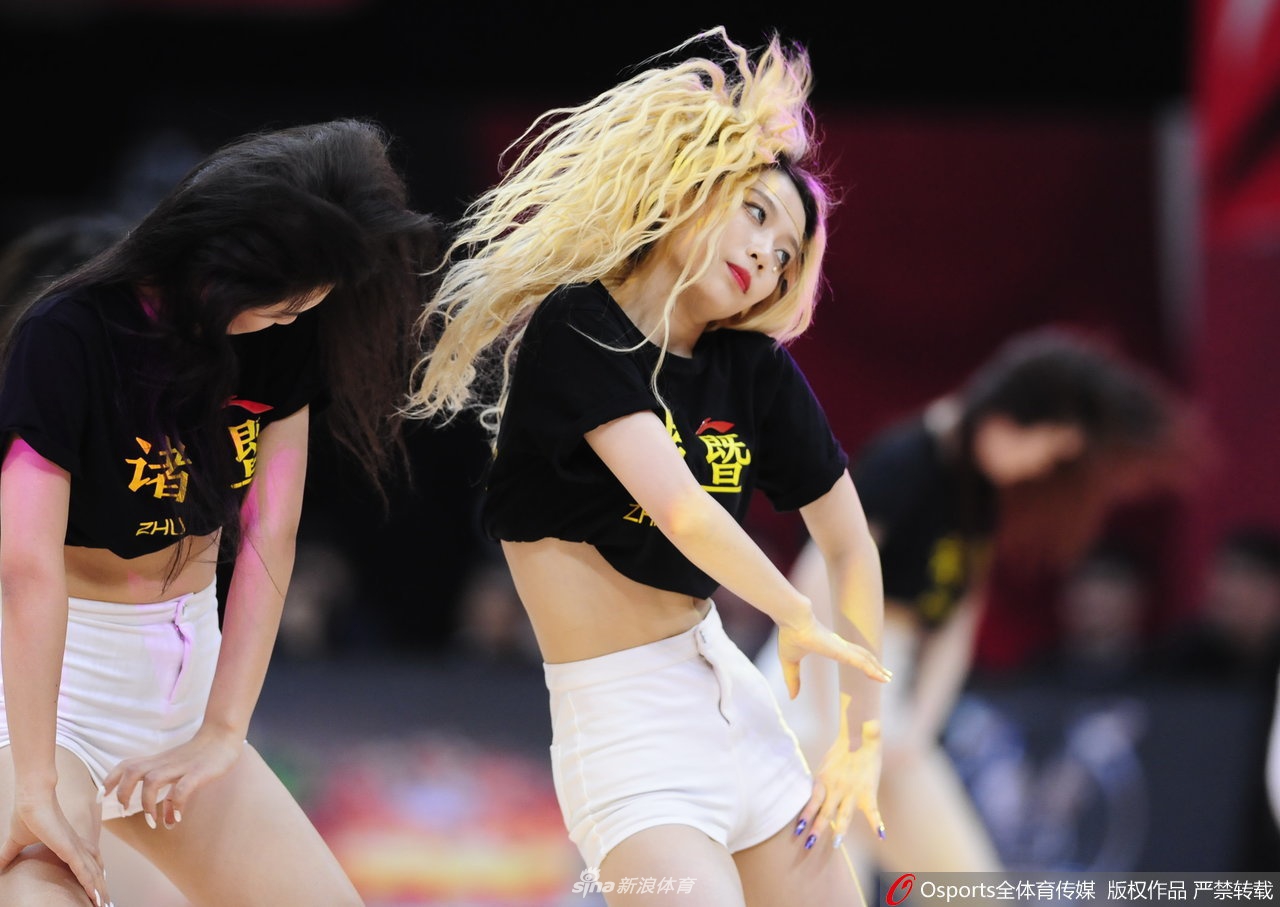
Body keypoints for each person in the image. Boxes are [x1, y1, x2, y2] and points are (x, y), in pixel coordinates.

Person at [407, 28, 891, 907]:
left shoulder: (753, 370)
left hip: (742, 716)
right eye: (757, 214)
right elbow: (683, 511)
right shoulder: (578, 326)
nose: (768, 257)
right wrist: (793, 611)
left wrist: (861, 737)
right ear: (690, 188)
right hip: (630, 744)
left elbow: (852, 544)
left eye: (787, 255)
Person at [0, 118, 442, 906]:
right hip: (58, 695)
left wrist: (222, 730)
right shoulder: (68, 334)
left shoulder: (280, 341)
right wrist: (33, 780)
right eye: (281, 304)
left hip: (187, 692)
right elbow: (25, 564)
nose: (293, 320)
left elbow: (271, 530)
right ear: (225, 266)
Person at [755, 328, 1196, 874]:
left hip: (883, 701)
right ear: (1007, 420)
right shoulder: (906, 462)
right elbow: (822, 580)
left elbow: (957, 621)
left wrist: (918, 728)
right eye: (1044, 449)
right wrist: (838, 727)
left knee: (952, 883)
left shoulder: (977, 492)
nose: (1039, 468)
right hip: (821, 695)